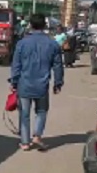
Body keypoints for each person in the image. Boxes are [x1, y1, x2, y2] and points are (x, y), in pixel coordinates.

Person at [9, 13, 64, 151]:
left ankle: (25, 143)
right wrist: (58, 83)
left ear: (31, 26)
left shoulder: (22, 43)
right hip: (42, 86)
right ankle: (37, 136)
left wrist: (13, 82)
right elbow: (58, 66)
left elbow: (16, 65)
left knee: (24, 114)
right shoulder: (53, 44)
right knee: (41, 111)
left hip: (24, 85)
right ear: (45, 26)